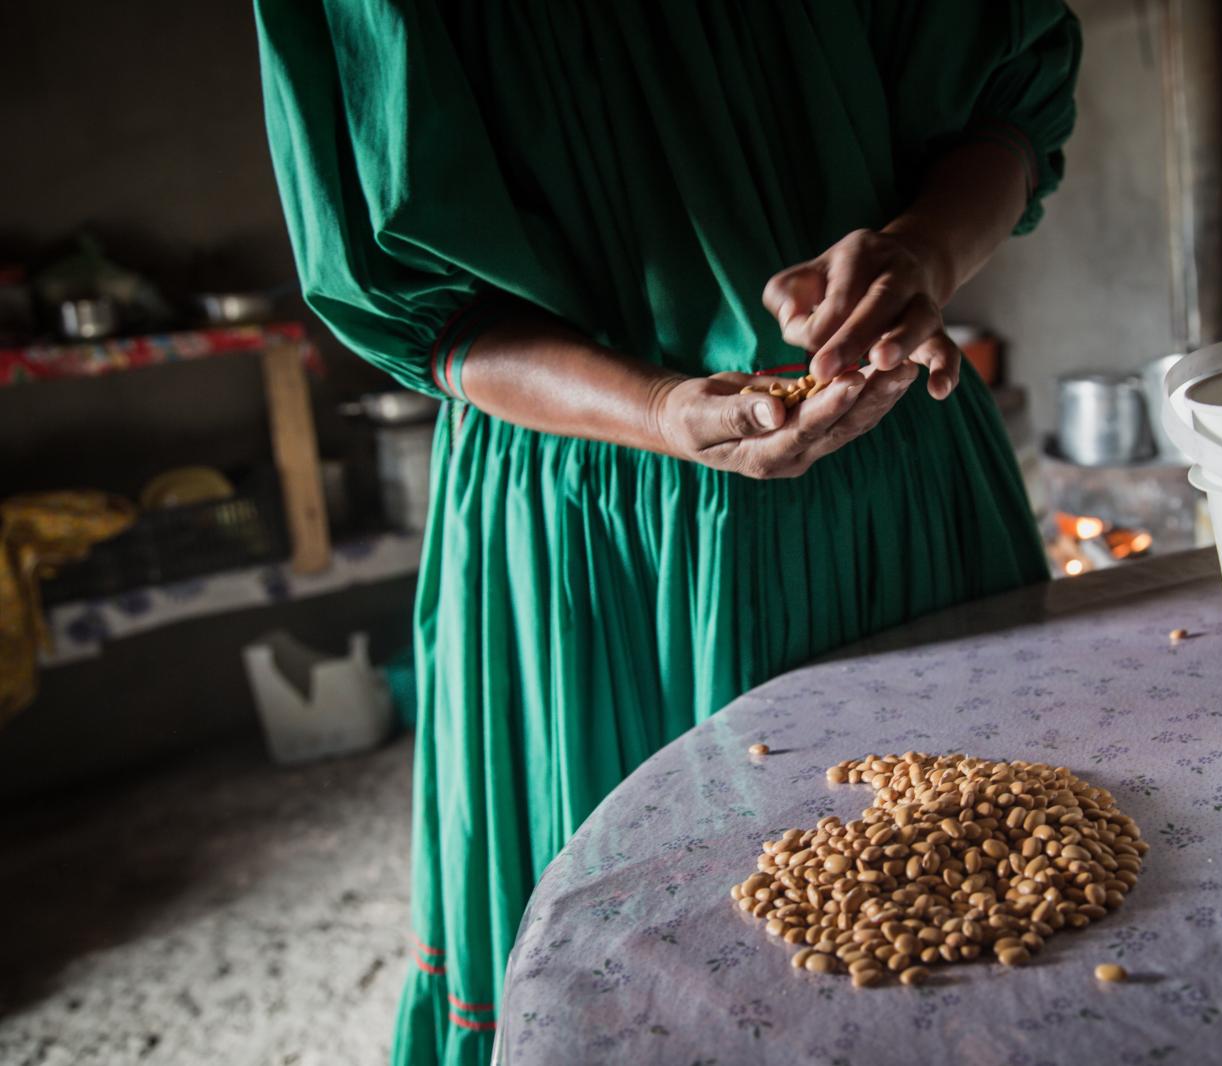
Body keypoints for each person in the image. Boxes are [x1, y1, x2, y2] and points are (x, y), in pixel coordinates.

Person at [255, 2, 1082, 1062]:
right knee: (638, 982)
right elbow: (426, 308)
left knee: (963, 928)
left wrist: (918, 253)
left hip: (886, 458)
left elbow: (1001, 109)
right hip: (597, 529)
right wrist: (654, 409)